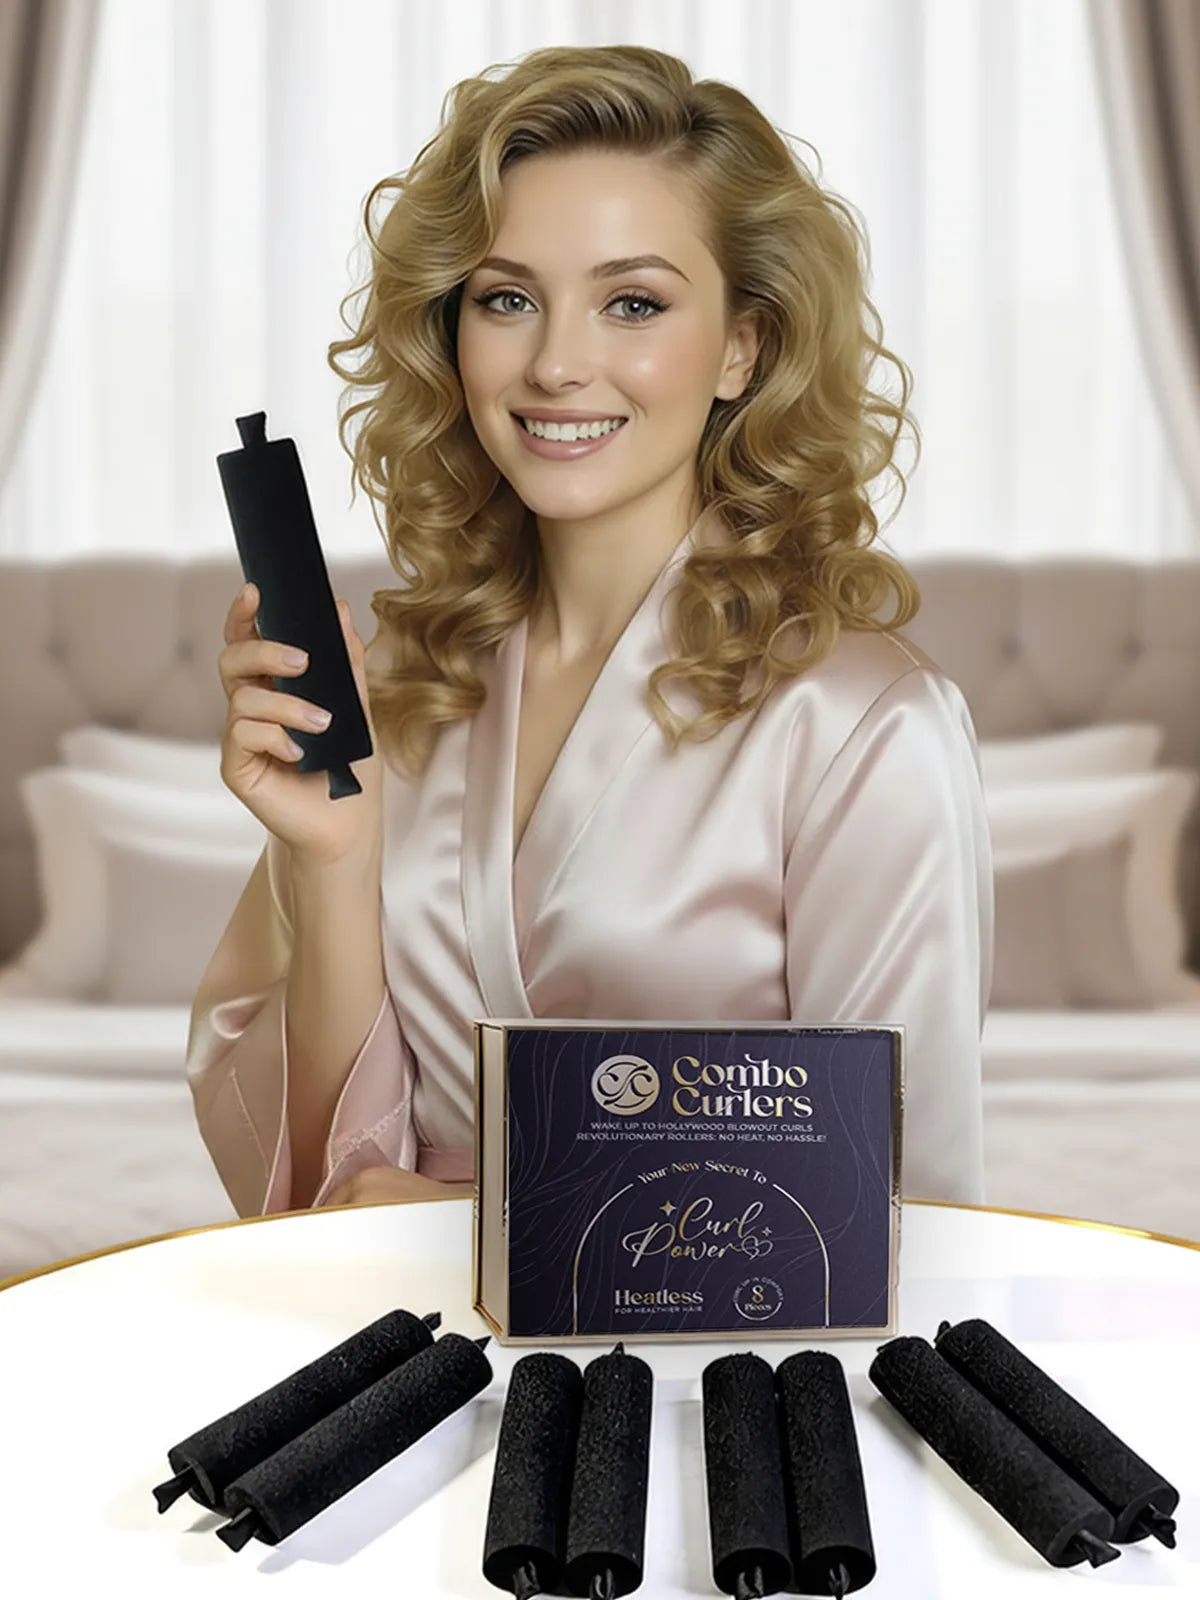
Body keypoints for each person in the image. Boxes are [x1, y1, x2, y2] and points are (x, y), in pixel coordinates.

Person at [186, 44, 994, 1220]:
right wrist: (335, 861)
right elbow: (321, 1194)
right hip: (420, 1378)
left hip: (722, 1397)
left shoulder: (865, 727)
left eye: (633, 303)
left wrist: (466, 1228)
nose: (557, 364)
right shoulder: (406, 697)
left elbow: (898, 1212)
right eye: (507, 299)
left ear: (743, 345)